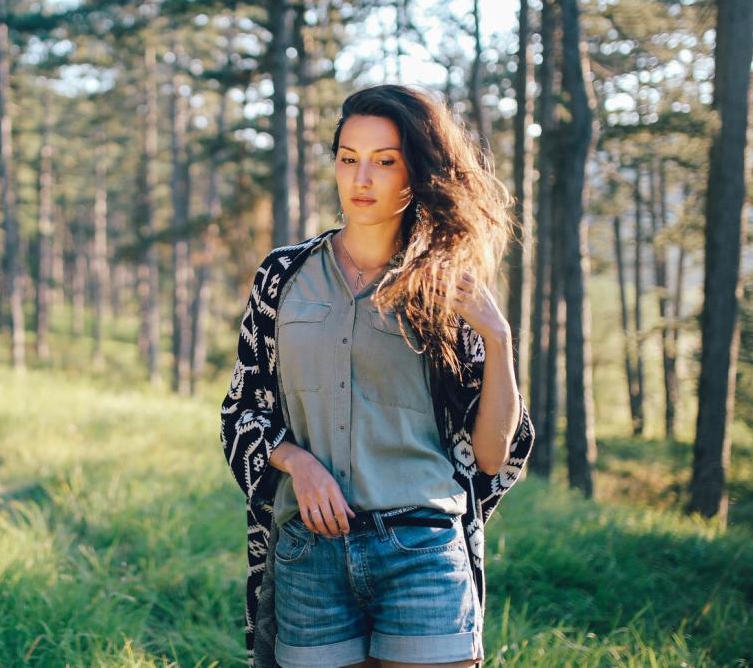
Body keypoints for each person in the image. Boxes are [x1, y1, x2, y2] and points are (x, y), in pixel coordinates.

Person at [220, 84, 536, 668]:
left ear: (415, 172)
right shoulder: (282, 277)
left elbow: (491, 456)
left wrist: (499, 340)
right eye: (348, 158)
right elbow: (242, 412)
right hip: (309, 554)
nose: (361, 178)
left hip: (420, 549)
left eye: (384, 162)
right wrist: (298, 462)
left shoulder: (445, 287)